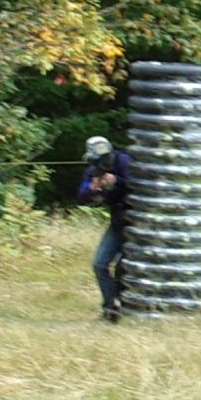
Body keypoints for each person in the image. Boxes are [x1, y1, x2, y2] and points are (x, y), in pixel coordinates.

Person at [77, 135, 132, 322]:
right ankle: (110, 308)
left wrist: (116, 181)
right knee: (99, 265)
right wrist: (93, 189)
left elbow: (140, 185)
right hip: (117, 223)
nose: (103, 163)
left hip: (137, 224)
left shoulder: (124, 161)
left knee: (124, 269)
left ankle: (123, 308)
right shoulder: (92, 172)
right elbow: (81, 197)